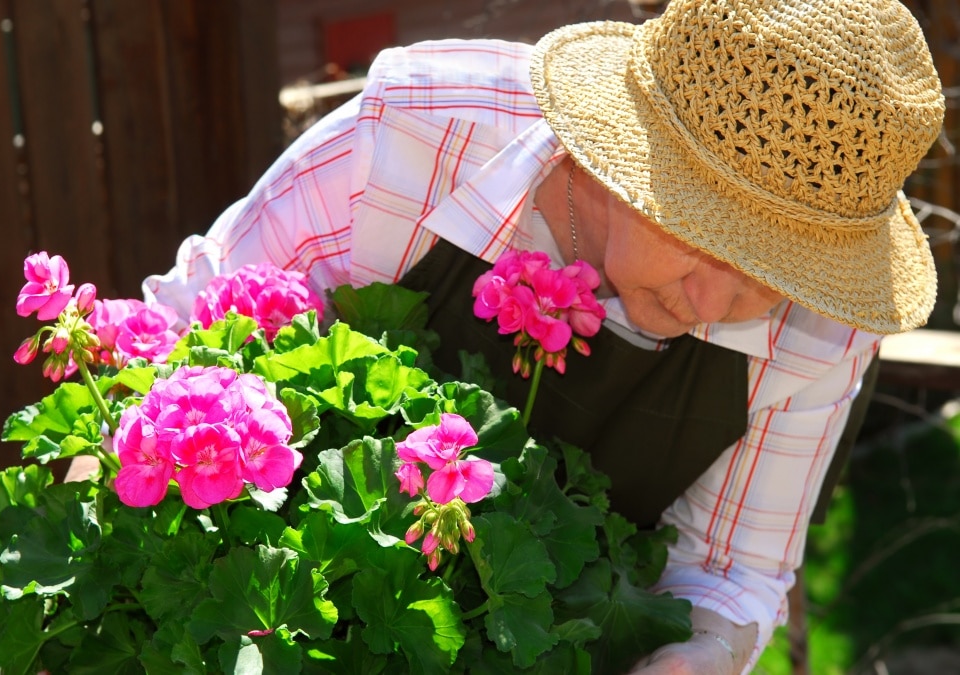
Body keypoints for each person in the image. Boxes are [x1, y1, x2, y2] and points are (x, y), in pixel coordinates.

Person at [143, 0, 945, 672]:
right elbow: (187, 345)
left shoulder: (829, 319)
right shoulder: (407, 142)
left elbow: (729, 575)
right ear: (626, 158)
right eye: (711, 242)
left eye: (769, 280)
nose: (715, 300)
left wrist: (690, 659)